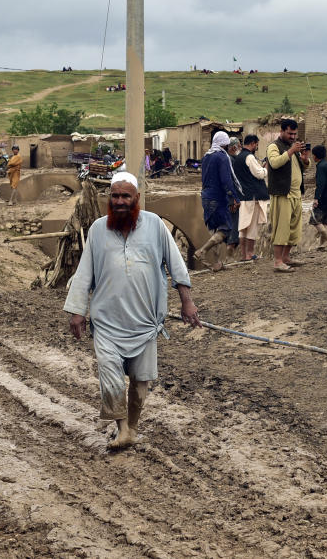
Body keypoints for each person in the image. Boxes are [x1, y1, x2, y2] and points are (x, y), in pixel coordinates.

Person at [64, 172, 200, 450]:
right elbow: (83, 274)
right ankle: (123, 429)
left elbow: (176, 266)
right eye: (115, 196)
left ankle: (133, 427)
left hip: (145, 322)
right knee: (111, 377)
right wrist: (77, 311)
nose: (119, 201)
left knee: (140, 383)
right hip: (107, 322)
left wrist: (186, 302)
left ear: (137, 199)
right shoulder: (98, 230)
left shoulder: (154, 226)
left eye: (126, 196)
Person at [194, 131, 242, 271]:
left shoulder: (207, 156)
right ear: (225, 144)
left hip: (206, 197)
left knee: (215, 231)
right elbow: (226, 181)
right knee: (225, 229)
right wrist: (234, 198)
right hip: (218, 197)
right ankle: (202, 251)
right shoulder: (222, 157)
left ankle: (217, 263)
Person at [267, 119, 310, 272]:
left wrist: (305, 159)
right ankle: (278, 262)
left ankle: (286, 257)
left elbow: (301, 167)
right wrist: (291, 151)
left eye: (294, 134)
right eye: (290, 133)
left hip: (296, 194)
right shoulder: (274, 146)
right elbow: (274, 163)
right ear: (282, 131)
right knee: (282, 228)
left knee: (294, 229)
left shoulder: (293, 147)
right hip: (282, 194)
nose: (293, 136)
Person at [232, 134, 268, 261]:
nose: (256, 147)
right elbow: (258, 174)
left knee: (243, 227)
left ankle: (243, 254)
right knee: (251, 227)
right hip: (253, 197)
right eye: (256, 145)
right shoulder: (249, 157)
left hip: (243, 196)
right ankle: (250, 254)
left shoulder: (238, 158)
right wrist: (266, 169)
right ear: (253, 143)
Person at [309, 145, 327, 250]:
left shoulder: (320, 166)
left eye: (312, 155)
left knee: (315, 220)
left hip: (325, 196)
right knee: (324, 221)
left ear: (315, 156)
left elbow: (320, 184)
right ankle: (322, 245)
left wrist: (316, 198)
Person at [225, 138, 243, 259]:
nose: (240, 148)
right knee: (233, 228)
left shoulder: (231, 159)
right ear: (233, 147)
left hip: (231, 199)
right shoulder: (229, 161)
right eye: (239, 146)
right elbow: (230, 182)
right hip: (232, 200)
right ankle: (229, 256)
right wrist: (233, 199)